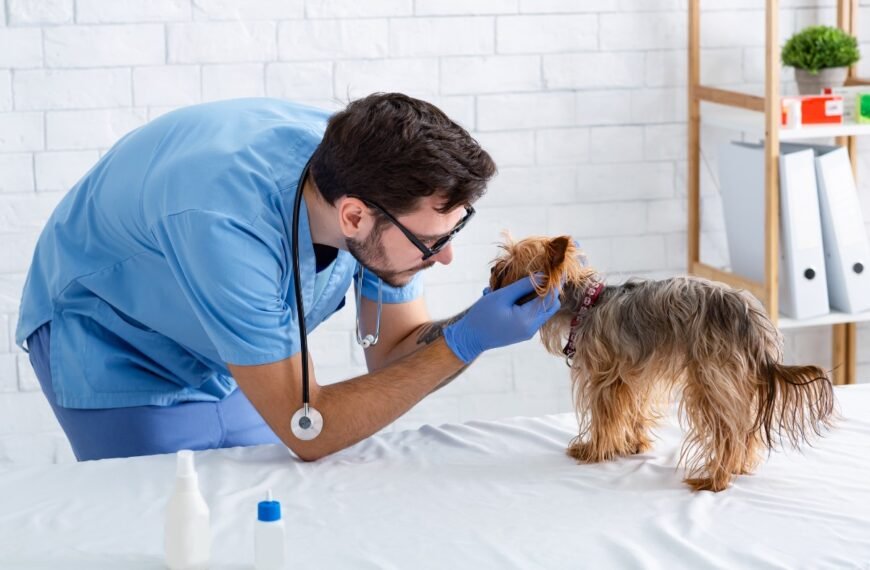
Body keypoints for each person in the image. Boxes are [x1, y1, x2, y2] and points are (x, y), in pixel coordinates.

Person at [15, 93, 560, 462]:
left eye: (451, 233)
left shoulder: (372, 177)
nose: (442, 259)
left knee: (261, 508)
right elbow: (309, 429)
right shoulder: (226, 224)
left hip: (214, 343)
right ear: (353, 216)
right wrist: (464, 343)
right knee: (173, 528)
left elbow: (394, 349)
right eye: (432, 242)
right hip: (111, 339)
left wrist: (480, 321)